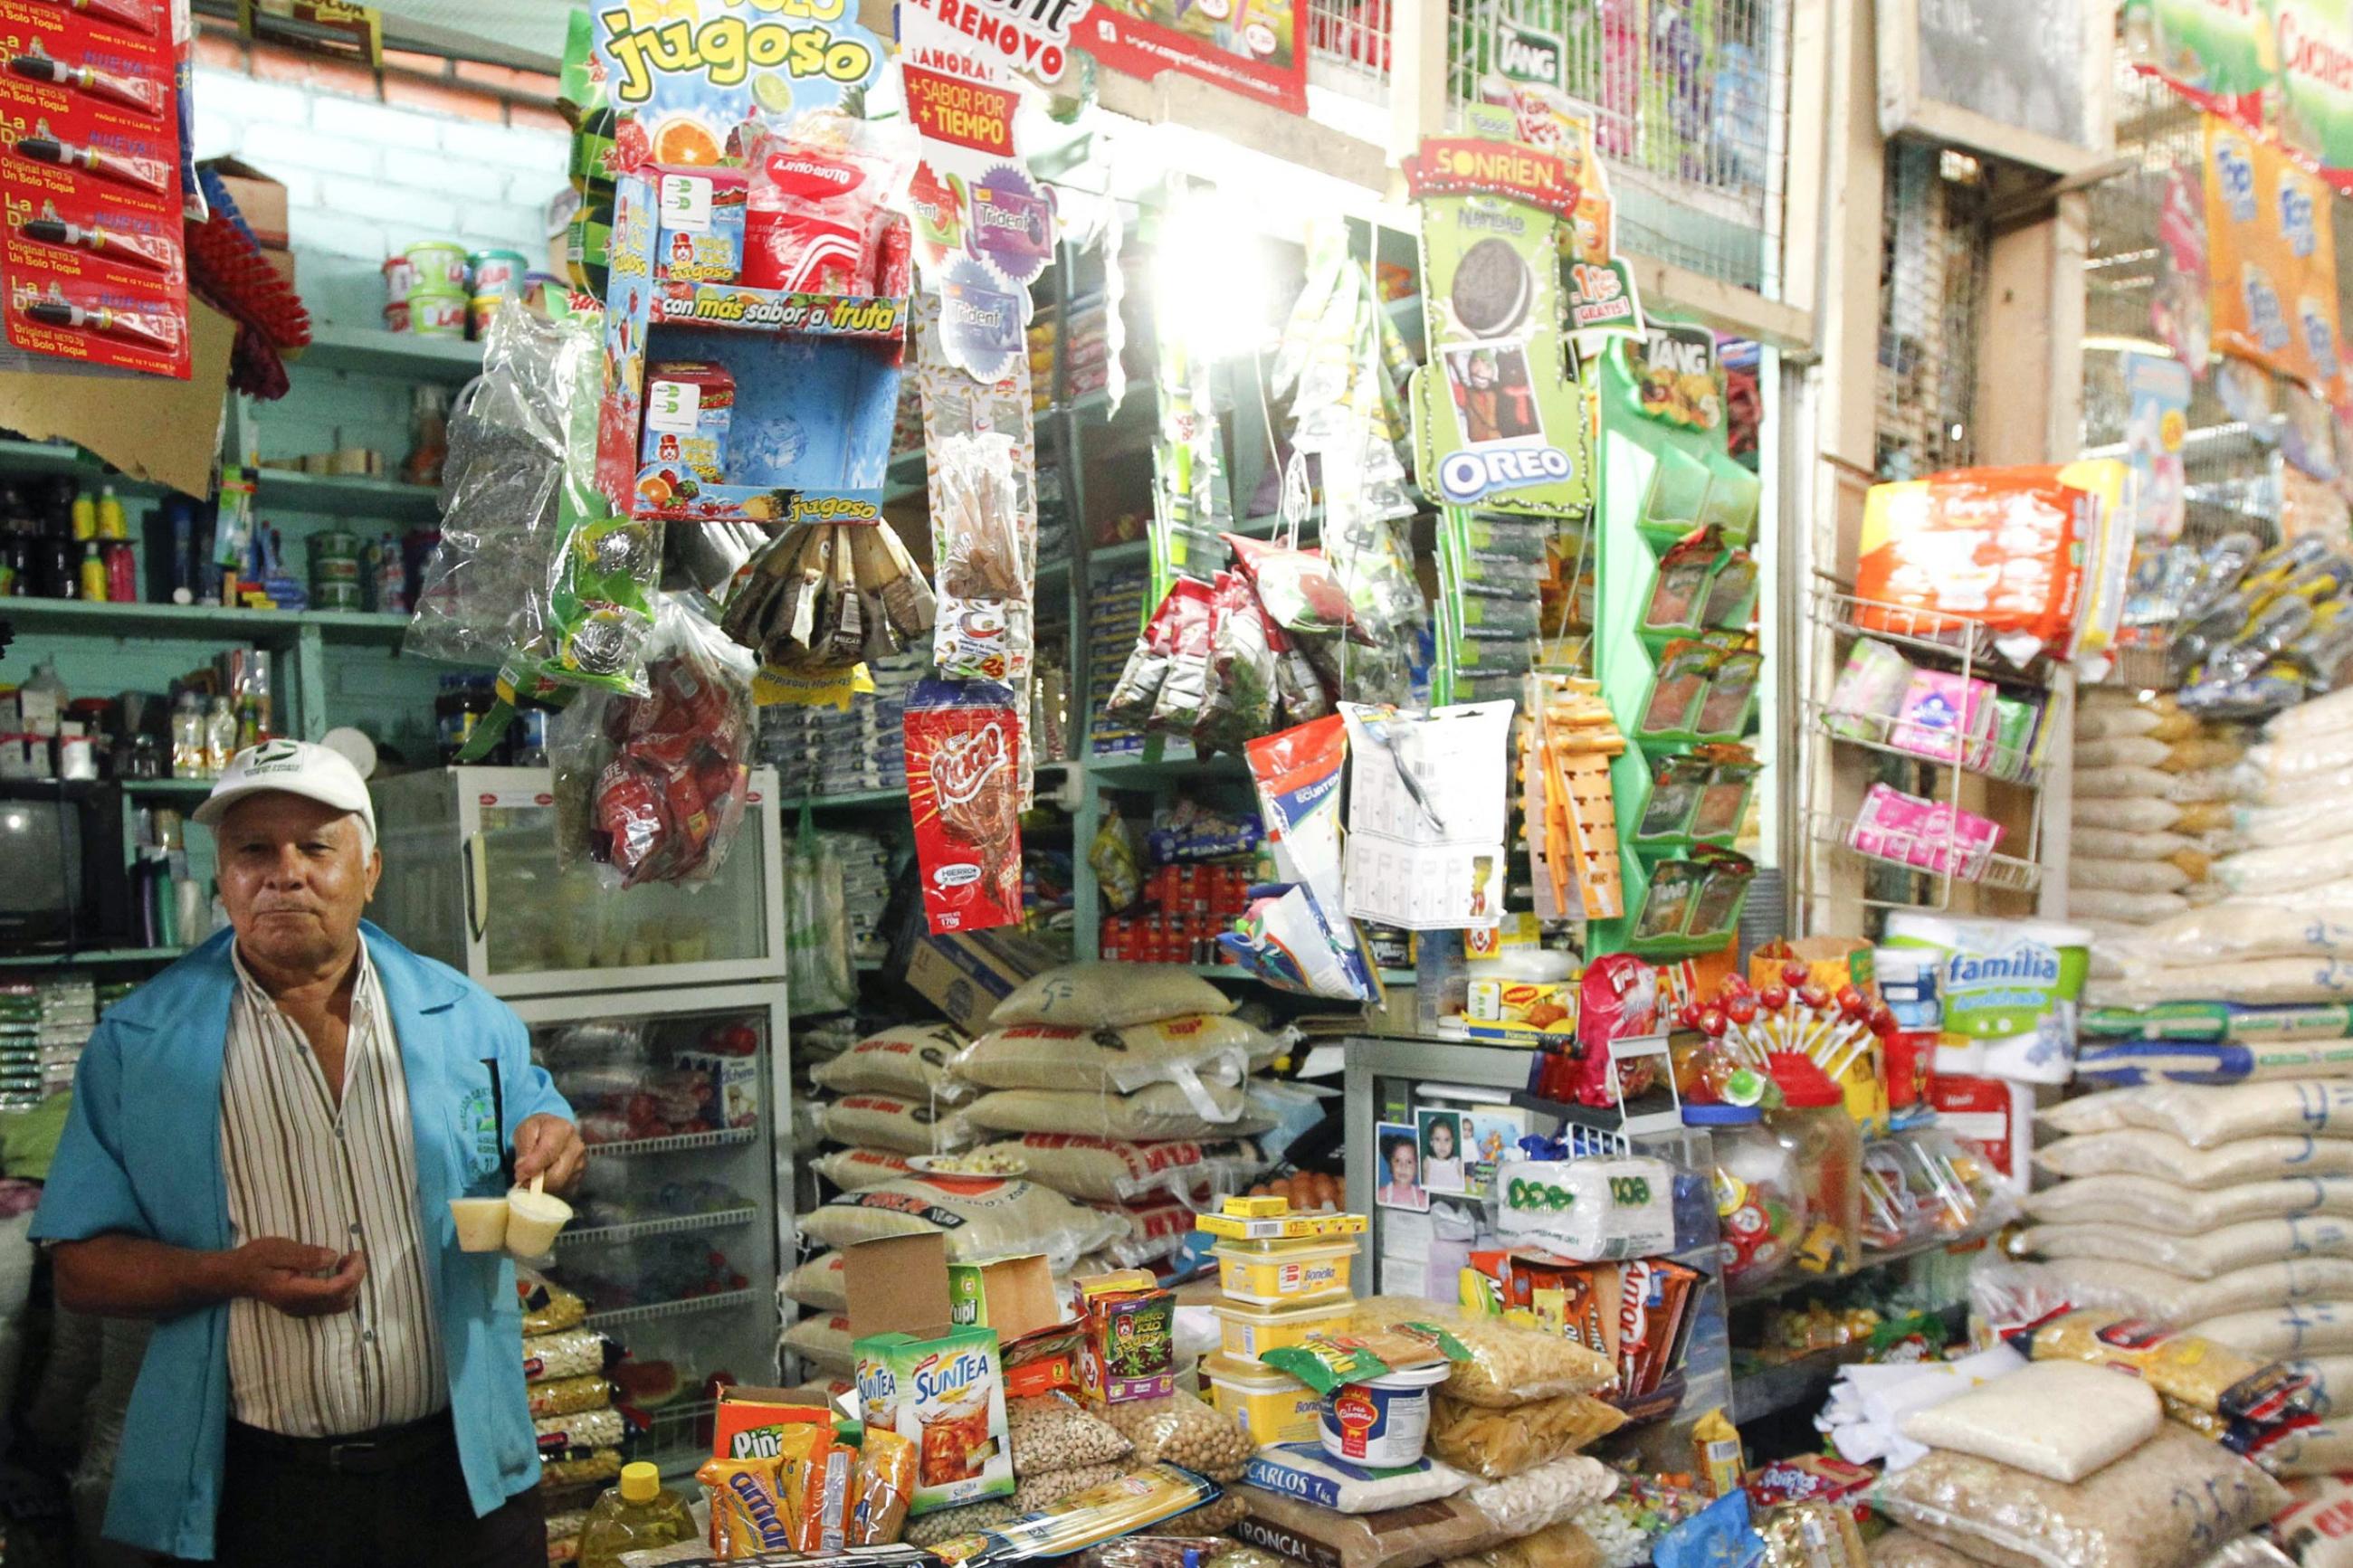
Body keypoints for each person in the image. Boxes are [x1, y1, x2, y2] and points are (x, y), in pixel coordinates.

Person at [31, 739, 586, 1567]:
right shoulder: (138, 1045)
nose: (283, 873)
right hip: (255, 1493)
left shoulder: (470, 1021)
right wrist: (231, 1273)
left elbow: (541, 1127)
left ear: (370, 870)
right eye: (253, 849)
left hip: (464, 1476)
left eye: (316, 847)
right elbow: (80, 1268)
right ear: (222, 875)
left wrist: (559, 1143)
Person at [1377, 1134, 1426, 1211]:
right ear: (1390, 1165)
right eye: (1398, 1161)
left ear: (1417, 1168)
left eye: (1409, 1162)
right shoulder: (1382, 1194)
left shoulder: (1420, 1196)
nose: (1403, 1167)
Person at [1421, 1115, 1464, 1193]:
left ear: (1452, 1142)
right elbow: (1425, 1191)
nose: (1442, 1145)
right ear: (1431, 1142)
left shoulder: (1458, 1163)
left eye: (1447, 1140)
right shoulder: (1428, 1162)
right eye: (1437, 1139)